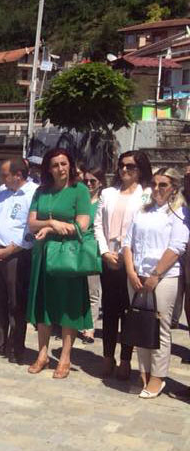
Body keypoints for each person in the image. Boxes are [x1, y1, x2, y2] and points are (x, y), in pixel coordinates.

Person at [26, 148, 93, 379]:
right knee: (43, 305)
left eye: (64, 163)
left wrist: (51, 227)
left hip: (68, 255)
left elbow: (82, 224)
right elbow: (31, 223)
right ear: (48, 168)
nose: (60, 168)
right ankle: (42, 354)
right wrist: (52, 223)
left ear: (70, 165)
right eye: (55, 165)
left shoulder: (79, 190)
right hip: (43, 254)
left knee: (68, 306)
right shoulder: (41, 191)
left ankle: (65, 357)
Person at [122, 167, 188, 398]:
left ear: (174, 188)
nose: (157, 189)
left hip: (164, 277)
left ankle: (158, 377)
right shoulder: (142, 211)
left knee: (159, 327)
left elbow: (176, 247)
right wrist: (131, 271)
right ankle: (144, 371)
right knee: (140, 324)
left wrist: (156, 275)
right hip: (137, 276)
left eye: (163, 185)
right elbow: (127, 242)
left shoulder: (179, 213)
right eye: (154, 184)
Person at [94, 151, 151, 380]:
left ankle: (126, 359)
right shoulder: (107, 193)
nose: (124, 170)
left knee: (128, 312)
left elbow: (144, 226)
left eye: (130, 166)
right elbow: (98, 225)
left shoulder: (146, 195)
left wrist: (129, 257)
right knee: (109, 311)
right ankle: (108, 357)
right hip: (109, 259)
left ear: (140, 169)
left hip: (131, 262)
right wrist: (104, 252)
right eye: (121, 166)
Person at [0, 157, 37, 363]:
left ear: (18, 175)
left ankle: (15, 346)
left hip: (17, 254)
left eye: (5, 175)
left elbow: (31, 229)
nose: (1, 178)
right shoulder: (2, 191)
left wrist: (10, 250)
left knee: (16, 302)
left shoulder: (33, 193)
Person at [79, 167, 106, 345]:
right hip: (76, 247)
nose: (88, 184)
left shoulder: (102, 203)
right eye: (86, 181)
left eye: (93, 181)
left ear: (100, 183)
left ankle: (90, 328)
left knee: (93, 290)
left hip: (93, 248)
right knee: (78, 289)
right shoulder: (79, 200)